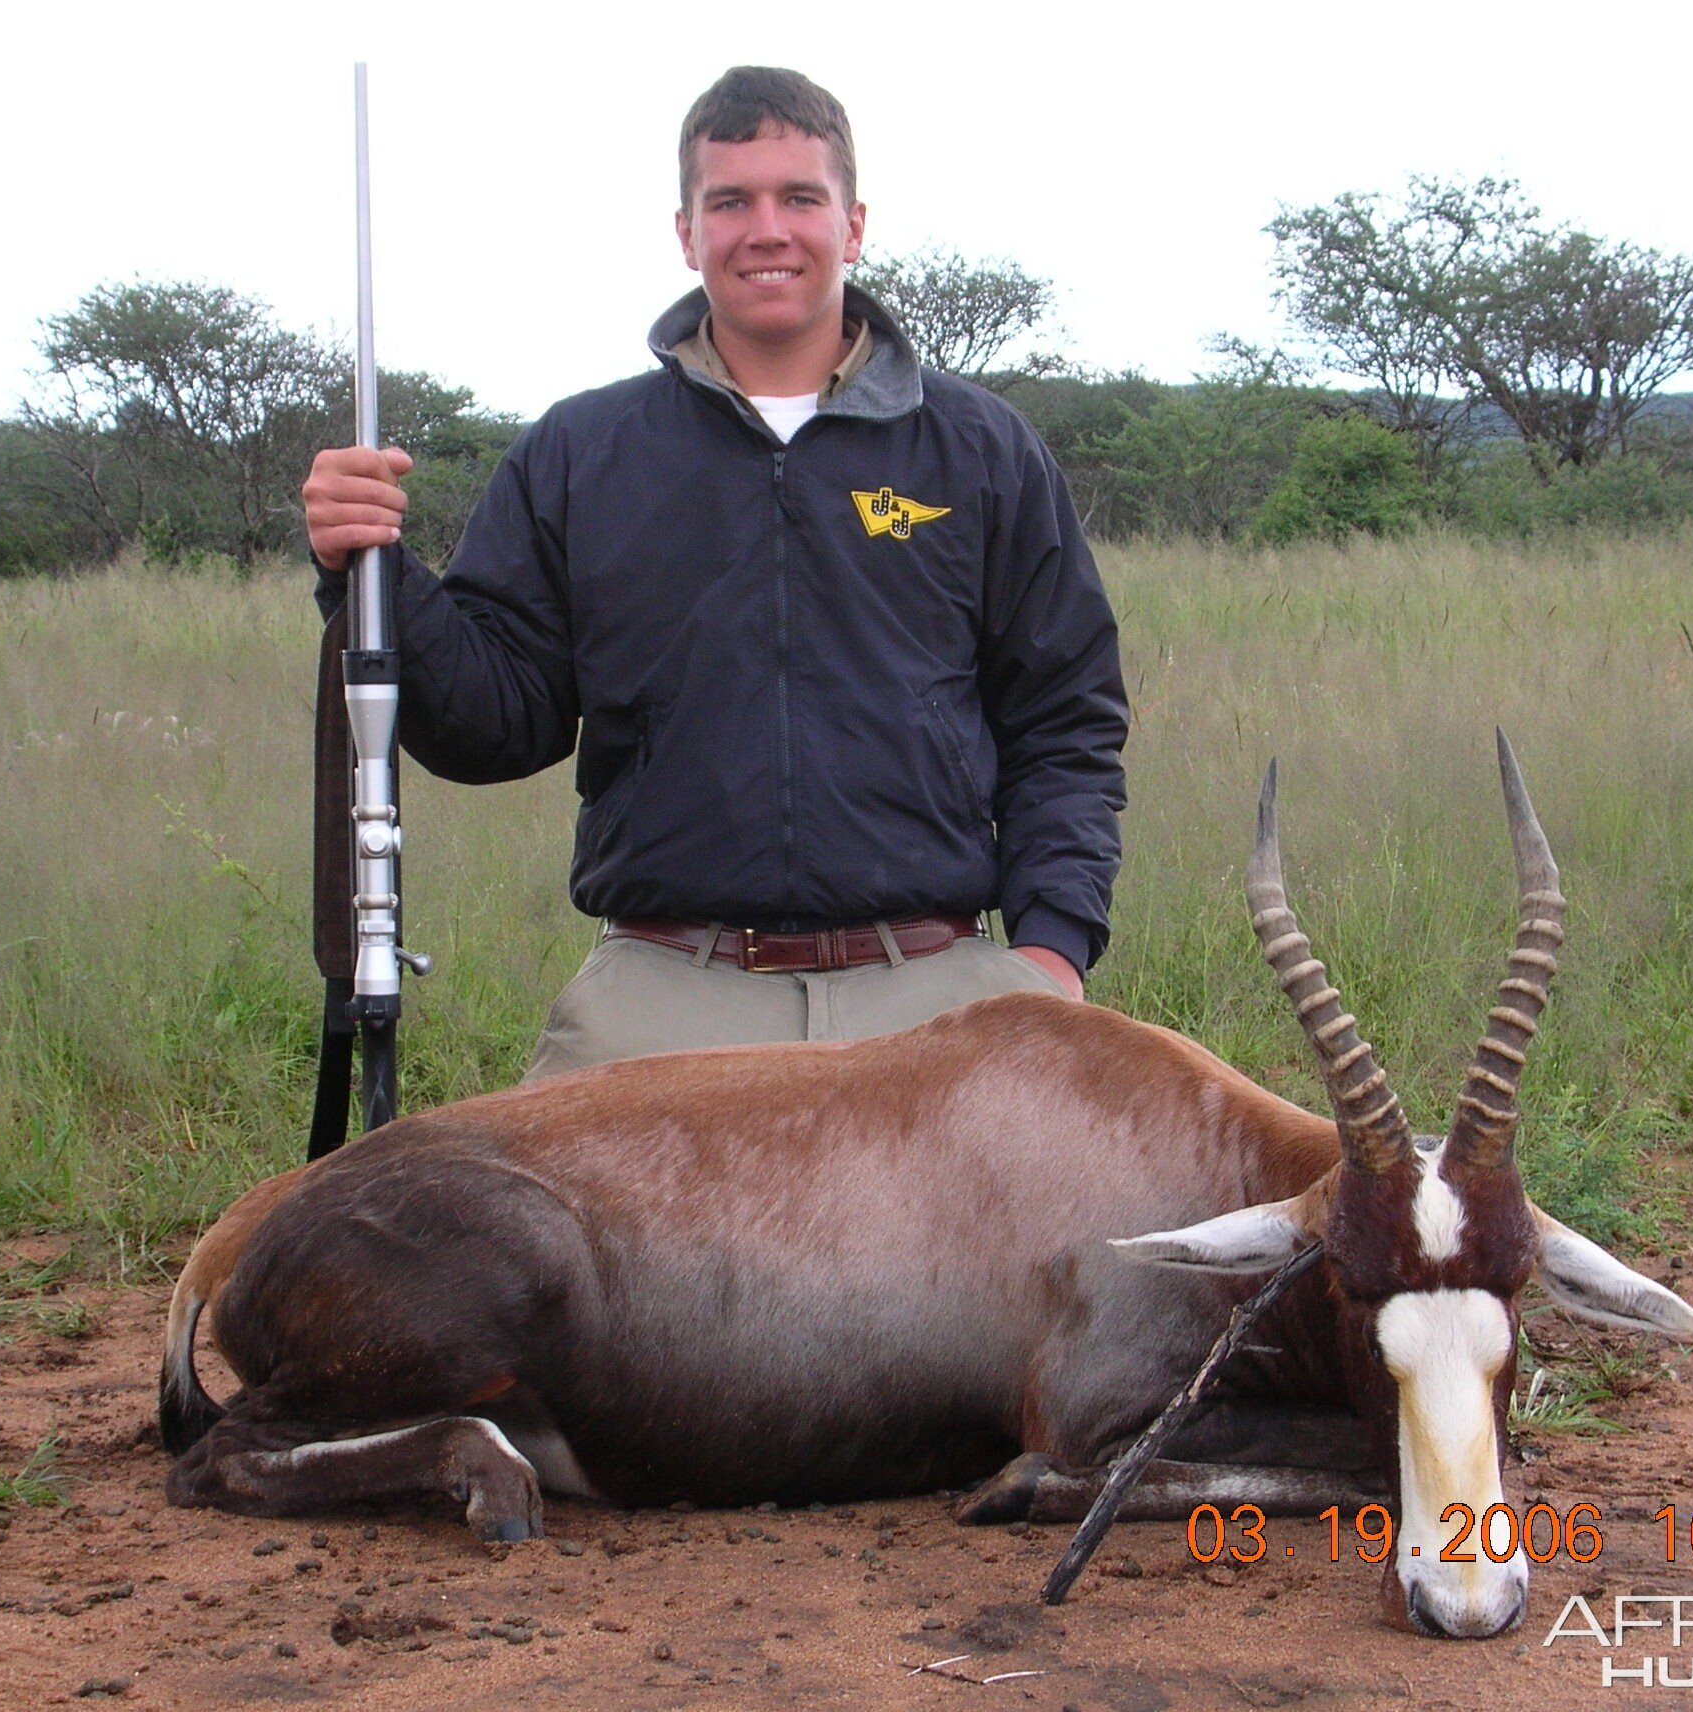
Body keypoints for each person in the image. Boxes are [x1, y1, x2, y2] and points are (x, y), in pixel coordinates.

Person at [301, 66, 1126, 1079]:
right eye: (728, 201)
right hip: (662, 984)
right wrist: (371, 570)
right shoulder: (580, 452)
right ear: (686, 234)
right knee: (515, 1230)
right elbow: (491, 724)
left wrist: (1048, 950)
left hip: (938, 976)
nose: (764, 228)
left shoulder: (979, 449)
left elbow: (1065, 714)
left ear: (852, 224)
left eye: (798, 198)